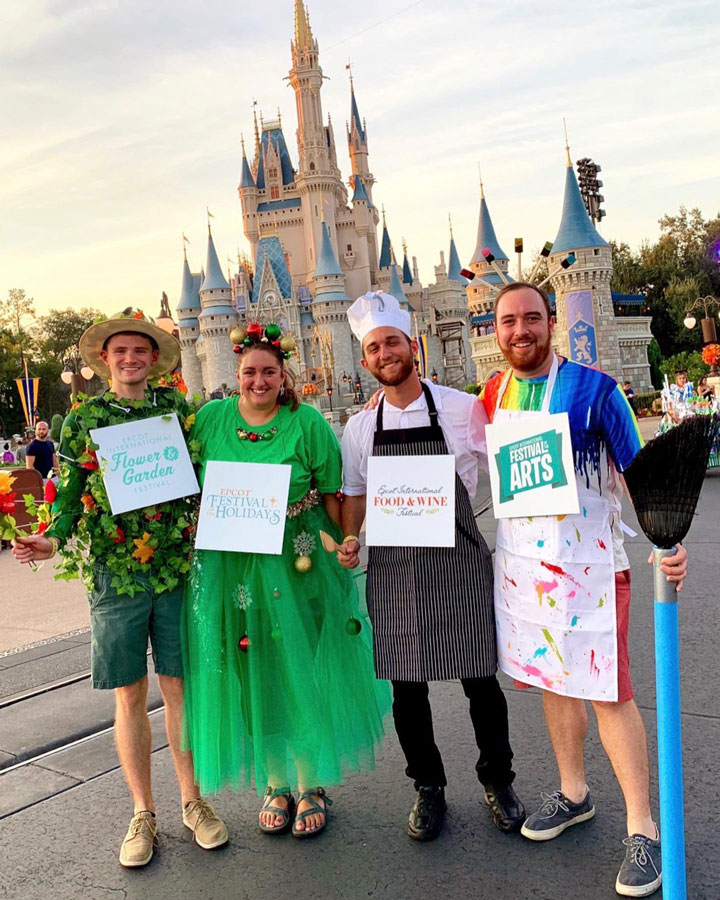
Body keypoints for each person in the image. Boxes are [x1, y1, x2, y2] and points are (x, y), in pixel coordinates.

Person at [481, 283, 688, 897]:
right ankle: (574, 792)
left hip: (592, 566)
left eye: (532, 319)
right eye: (508, 321)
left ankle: (643, 829)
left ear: (551, 323)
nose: (521, 330)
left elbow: (638, 472)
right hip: (524, 568)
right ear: (497, 331)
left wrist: (667, 545)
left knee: (607, 690)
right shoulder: (493, 393)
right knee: (551, 679)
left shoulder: (598, 390)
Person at [12, 309, 227, 868]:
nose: (130, 359)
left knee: (180, 689)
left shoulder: (178, 410)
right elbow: (70, 494)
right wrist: (53, 541)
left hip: (177, 569)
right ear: (104, 361)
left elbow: (206, 481)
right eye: (119, 352)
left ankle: (192, 801)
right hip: (115, 573)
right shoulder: (82, 420)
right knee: (129, 693)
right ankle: (142, 811)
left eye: (140, 351)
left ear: (154, 359)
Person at [182, 323, 390, 838]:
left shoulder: (308, 424)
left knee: (301, 667)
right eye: (250, 371)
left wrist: (346, 540)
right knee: (252, 672)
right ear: (237, 374)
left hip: (299, 565)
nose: (259, 380)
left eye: (268, 371)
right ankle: (275, 781)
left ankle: (309, 782)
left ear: (283, 375)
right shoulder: (209, 419)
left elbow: (333, 495)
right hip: (234, 571)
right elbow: (178, 475)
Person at [337, 291, 525, 842]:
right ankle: (428, 787)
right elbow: (354, 492)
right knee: (406, 686)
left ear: (411, 345)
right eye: (374, 347)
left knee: (480, 682)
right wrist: (350, 537)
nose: (385, 353)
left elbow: (512, 465)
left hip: (459, 559)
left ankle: (499, 780)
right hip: (395, 568)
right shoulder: (358, 428)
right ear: (367, 360)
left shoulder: (463, 409)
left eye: (392, 341)